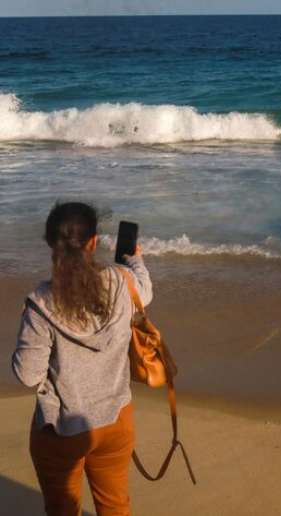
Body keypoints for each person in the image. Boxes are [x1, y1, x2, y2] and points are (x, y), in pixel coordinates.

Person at [12, 202, 152, 516]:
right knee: (115, 505)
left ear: (50, 244)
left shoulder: (40, 305)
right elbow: (145, 292)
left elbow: (28, 375)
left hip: (61, 428)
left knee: (62, 509)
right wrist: (136, 260)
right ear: (93, 242)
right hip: (116, 417)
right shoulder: (121, 282)